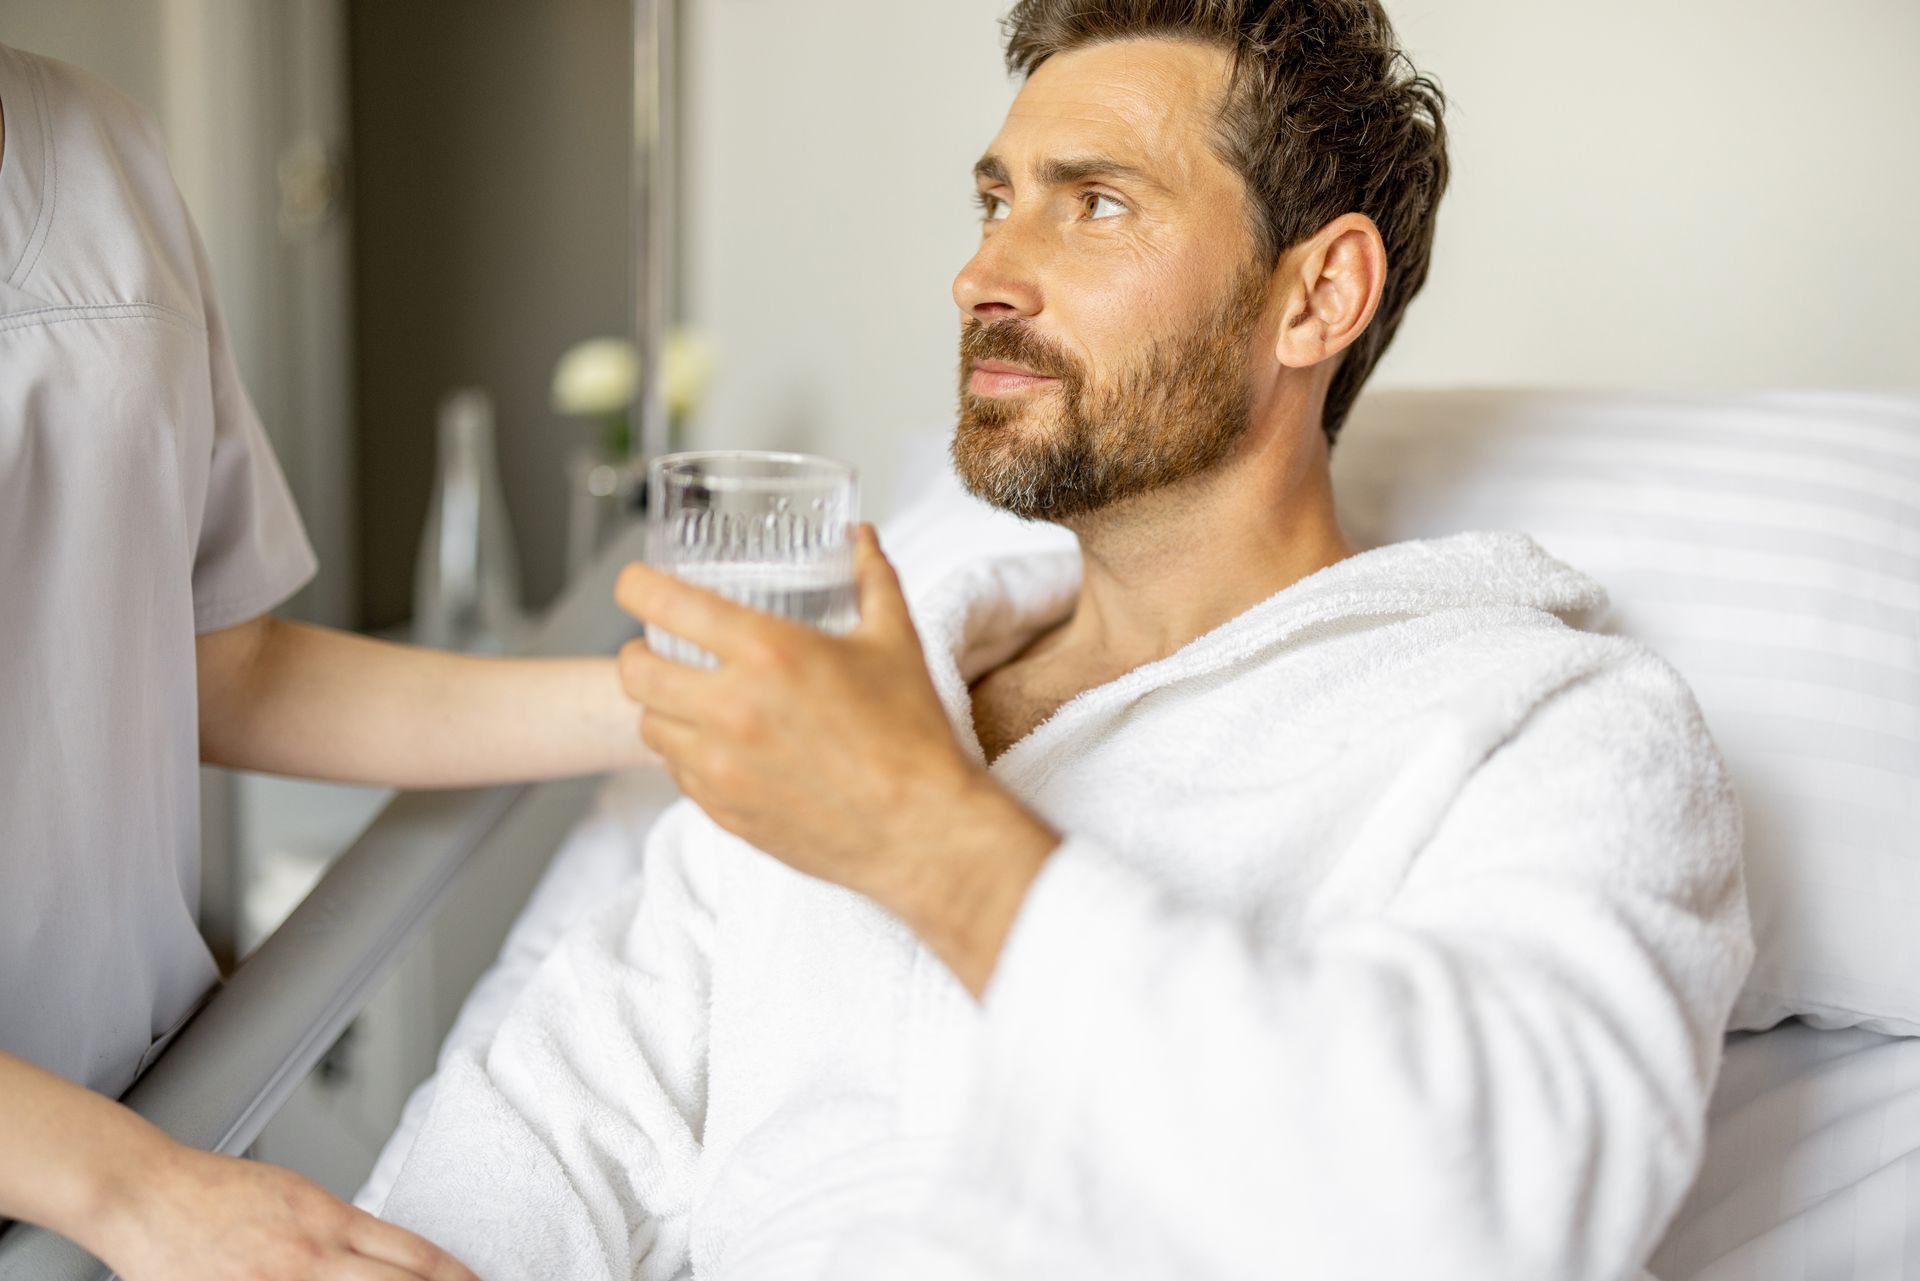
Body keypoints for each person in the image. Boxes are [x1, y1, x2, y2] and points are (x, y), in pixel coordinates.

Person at [370, 2, 1752, 1279]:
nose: (982, 276)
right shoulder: (867, 695)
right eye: (995, 201)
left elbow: (1496, 1206)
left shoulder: (1551, 725)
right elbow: (533, 1146)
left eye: (1096, 204)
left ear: (1318, 295)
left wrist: (922, 835)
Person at [0, 40, 654, 1281]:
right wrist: (136, 1191)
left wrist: (662, 707)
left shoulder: (102, 153)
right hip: (113, 1183)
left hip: (153, 1110)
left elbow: (228, 669)